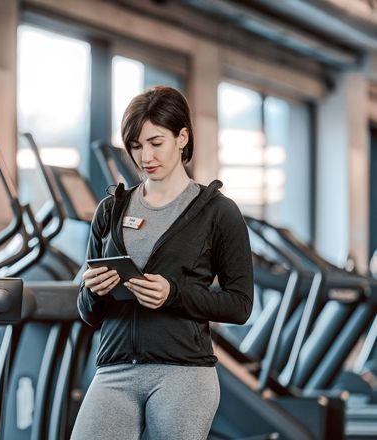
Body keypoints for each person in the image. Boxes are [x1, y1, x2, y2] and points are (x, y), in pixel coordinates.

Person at [71, 86, 254, 440]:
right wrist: (92, 292)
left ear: (182, 137)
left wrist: (173, 293)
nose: (145, 156)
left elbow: (240, 304)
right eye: (136, 146)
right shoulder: (111, 209)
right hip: (115, 371)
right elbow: (88, 312)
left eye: (156, 142)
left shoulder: (218, 212)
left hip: (182, 373)